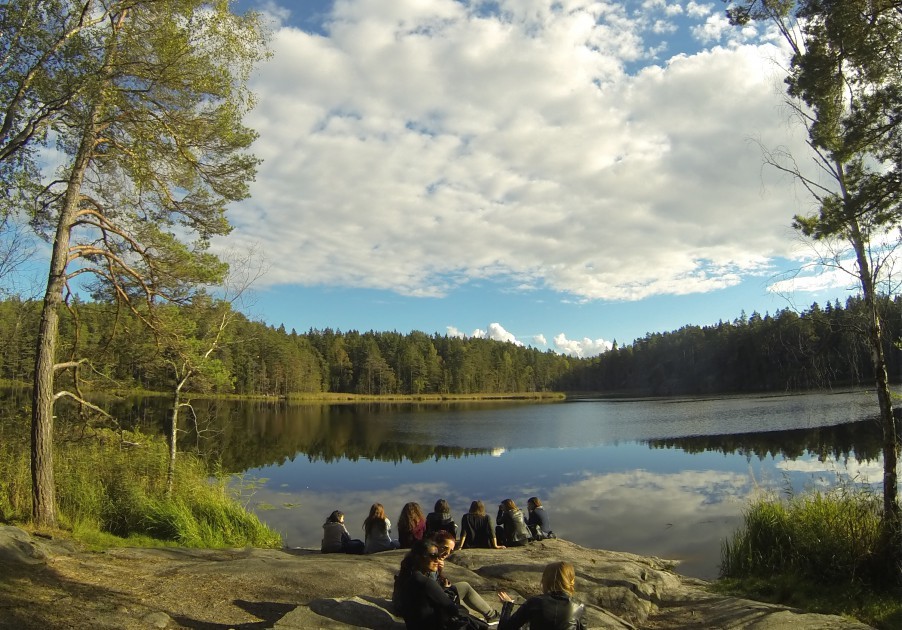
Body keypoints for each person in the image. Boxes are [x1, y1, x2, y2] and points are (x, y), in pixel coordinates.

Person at [393, 539, 489, 630]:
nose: (437, 560)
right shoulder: (425, 582)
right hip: (432, 626)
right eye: (433, 556)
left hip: (414, 626)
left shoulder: (409, 576)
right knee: (463, 613)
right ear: (420, 557)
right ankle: (493, 616)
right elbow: (452, 609)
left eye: (438, 556)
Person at [432, 530, 503, 624]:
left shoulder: (430, 560)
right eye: (444, 548)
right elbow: (431, 590)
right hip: (432, 608)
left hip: (435, 601)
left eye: (450, 551)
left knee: (464, 586)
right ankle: (492, 616)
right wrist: (445, 587)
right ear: (435, 545)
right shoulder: (428, 563)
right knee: (464, 592)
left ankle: (492, 615)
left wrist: (440, 571)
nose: (447, 553)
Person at [498, 561, 585, 630]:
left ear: (545, 580)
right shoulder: (579, 606)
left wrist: (507, 605)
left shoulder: (534, 602)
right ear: (571, 580)